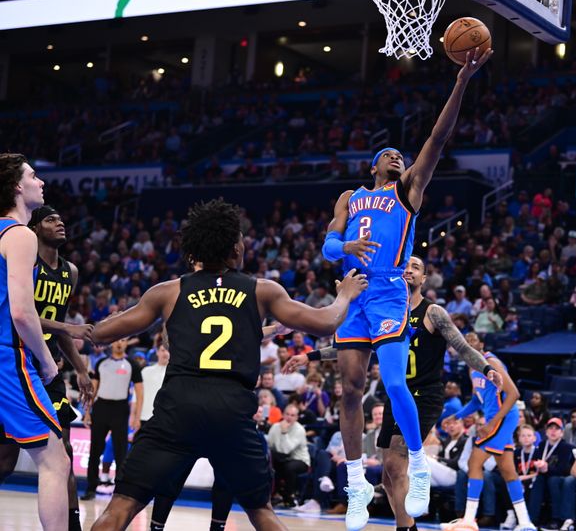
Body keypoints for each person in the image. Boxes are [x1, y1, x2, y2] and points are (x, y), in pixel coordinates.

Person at [85, 198, 368, 531]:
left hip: (178, 407)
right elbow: (326, 322)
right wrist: (345, 295)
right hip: (231, 410)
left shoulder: (169, 291)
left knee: (120, 507)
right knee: (262, 512)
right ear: (236, 249)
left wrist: (68, 327)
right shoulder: (262, 290)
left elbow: (100, 334)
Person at [321, 49, 492, 530]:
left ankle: (418, 465)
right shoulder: (351, 197)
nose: (397, 156)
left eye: (401, 155)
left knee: (394, 384)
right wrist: (344, 243)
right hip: (355, 292)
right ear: (374, 165)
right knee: (351, 390)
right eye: (389, 154)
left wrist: (461, 81)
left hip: (390, 292)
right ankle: (357, 485)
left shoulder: (408, 190)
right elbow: (329, 245)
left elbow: (439, 137)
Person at [282, 255, 502, 531]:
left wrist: (484, 367)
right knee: (387, 475)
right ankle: (405, 525)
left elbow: (462, 346)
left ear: (424, 279)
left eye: (416, 268)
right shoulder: (382, 311)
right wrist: (310, 356)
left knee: (398, 462)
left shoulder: (433, 313)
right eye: (405, 265)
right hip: (396, 396)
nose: (409, 270)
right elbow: (353, 346)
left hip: (424, 394)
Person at [0, 204, 94, 531]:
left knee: (61, 450)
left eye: (62, 218)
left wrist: (81, 369)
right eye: (52, 219)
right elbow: (19, 311)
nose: (61, 223)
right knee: (7, 460)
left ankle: (73, 523)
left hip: (48, 365)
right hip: (18, 361)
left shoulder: (70, 271)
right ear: (36, 227)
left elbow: (61, 324)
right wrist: (67, 330)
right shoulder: (23, 258)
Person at [0, 153, 71, 531]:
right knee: (54, 460)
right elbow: (24, 314)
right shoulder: (19, 234)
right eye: (33, 175)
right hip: (7, 359)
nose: (40, 181)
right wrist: (46, 362)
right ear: (16, 186)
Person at [441, 336, 536, 531]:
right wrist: (457, 417)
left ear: (481, 345)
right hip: (496, 420)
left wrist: (492, 422)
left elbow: (514, 394)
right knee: (509, 471)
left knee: (473, 463)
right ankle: (525, 522)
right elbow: (477, 401)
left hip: (503, 418)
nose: (467, 344)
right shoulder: (471, 368)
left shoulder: (491, 362)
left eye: (472, 340)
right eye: (464, 342)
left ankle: (468, 520)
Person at [81, 337, 143, 501]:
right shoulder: (101, 363)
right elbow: (93, 390)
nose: (119, 343)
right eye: (117, 340)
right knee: (95, 450)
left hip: (120, 409)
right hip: (101, 408)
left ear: (126, 343)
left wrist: (136, 416)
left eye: (123, 340)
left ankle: (120, 491)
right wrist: (87, 412)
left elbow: (139, 392)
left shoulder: (132, 365)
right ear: (111, 343)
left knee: (121, 452)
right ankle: (91, 488)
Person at [526, 418, 574, 528]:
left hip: (561, 478)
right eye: (550, 428)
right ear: (546, 432)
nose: (553, 431)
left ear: (561, 433)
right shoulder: (542, 445)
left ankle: (556, 518)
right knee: (538, 480)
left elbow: (565, 469)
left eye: (556, 429)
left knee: (553, 480)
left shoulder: (566, 447)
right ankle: (532, 518)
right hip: (544, 475)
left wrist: (548, 469)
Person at [267, 403, 311, 508]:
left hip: (300, 460)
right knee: (270, 463)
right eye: (287, 414)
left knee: (289, 467)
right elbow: (270, 445)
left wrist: (284, 432)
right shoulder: (275, 427)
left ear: (296, 417)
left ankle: (288, 496)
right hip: (281, 458)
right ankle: (272, 495)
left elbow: (286, 450)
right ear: (283, 414)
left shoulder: (300, 430)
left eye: (292, 415)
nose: (289, 417)